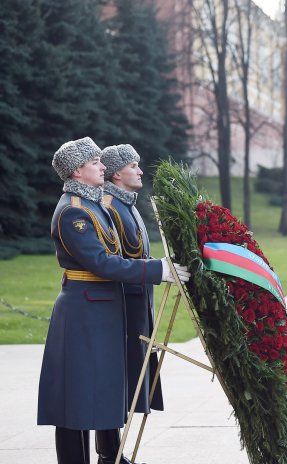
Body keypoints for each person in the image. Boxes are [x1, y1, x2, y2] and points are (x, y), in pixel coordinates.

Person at [37, 137, 190, 464]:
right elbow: (102, 263)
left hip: (101, 310)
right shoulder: (72, 212)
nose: (103, 167)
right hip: (83, 312)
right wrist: (155, 270)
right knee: (74, 398)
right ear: (78, 171)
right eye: (95, 163)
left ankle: (110, 457)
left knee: (101, 390)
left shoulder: (92, 204)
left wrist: (155, 267)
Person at [101, 146, 165, 430]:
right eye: (133, 166)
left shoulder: (126, 203)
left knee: (130, 379)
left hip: (139, 301)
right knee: (120, 378)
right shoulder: (110, 206)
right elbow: (115, 261)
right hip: (124, 304)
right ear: (117, 174)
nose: (140, 171)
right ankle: (109, 453)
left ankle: (112, 452)